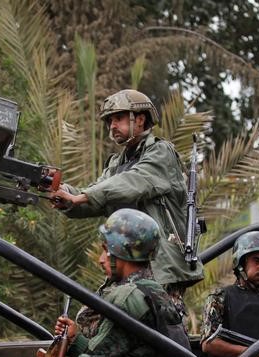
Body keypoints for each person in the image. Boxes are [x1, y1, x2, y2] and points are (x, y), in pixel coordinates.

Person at [18, 208, 189, 357]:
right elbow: (112, 351)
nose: (100, 260)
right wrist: (74, 340)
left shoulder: (127, 297)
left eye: (105, 251)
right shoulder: (151, 290)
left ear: (120, 251)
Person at [49, 89, 204, 311]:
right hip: (127, 267)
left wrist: (81, 196)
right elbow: (97, 196)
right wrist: (64, 195)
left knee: (158, 333)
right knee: (91, 319)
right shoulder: (116, 163)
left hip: (160, 269)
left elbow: (132, 183)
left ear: (140, 119)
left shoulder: (161, 153)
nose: (112, 125)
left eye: (119, 118)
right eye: (110, 120)